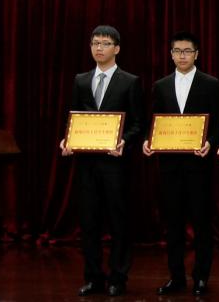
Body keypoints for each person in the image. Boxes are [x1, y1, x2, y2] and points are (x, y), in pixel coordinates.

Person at [60, 25, 144, 297]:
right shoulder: (81, 80)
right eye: (95, 43)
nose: (99, 48)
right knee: (89, 222)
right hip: (86, 164)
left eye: (105, 43)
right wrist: (67, 140)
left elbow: (138, 123)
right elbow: (74, 118)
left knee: (119, 221)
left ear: (116, 48)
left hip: (115, 165)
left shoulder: (130, 81)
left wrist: (124, 142)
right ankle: (93, 277)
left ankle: (118, 277)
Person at [143, 31, 219, 296]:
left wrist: (210, 142)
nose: (182, 56)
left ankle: (201, 277)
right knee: (173, 225)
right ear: (171, 54)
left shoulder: (211, 84)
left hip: (199, 166)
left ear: (196, 54)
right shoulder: (161, 85)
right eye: (177, 51)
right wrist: (148, 141)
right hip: (169, 167)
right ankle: (176, 277)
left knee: (202, 223)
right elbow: (154, 122)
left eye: (187, 51)